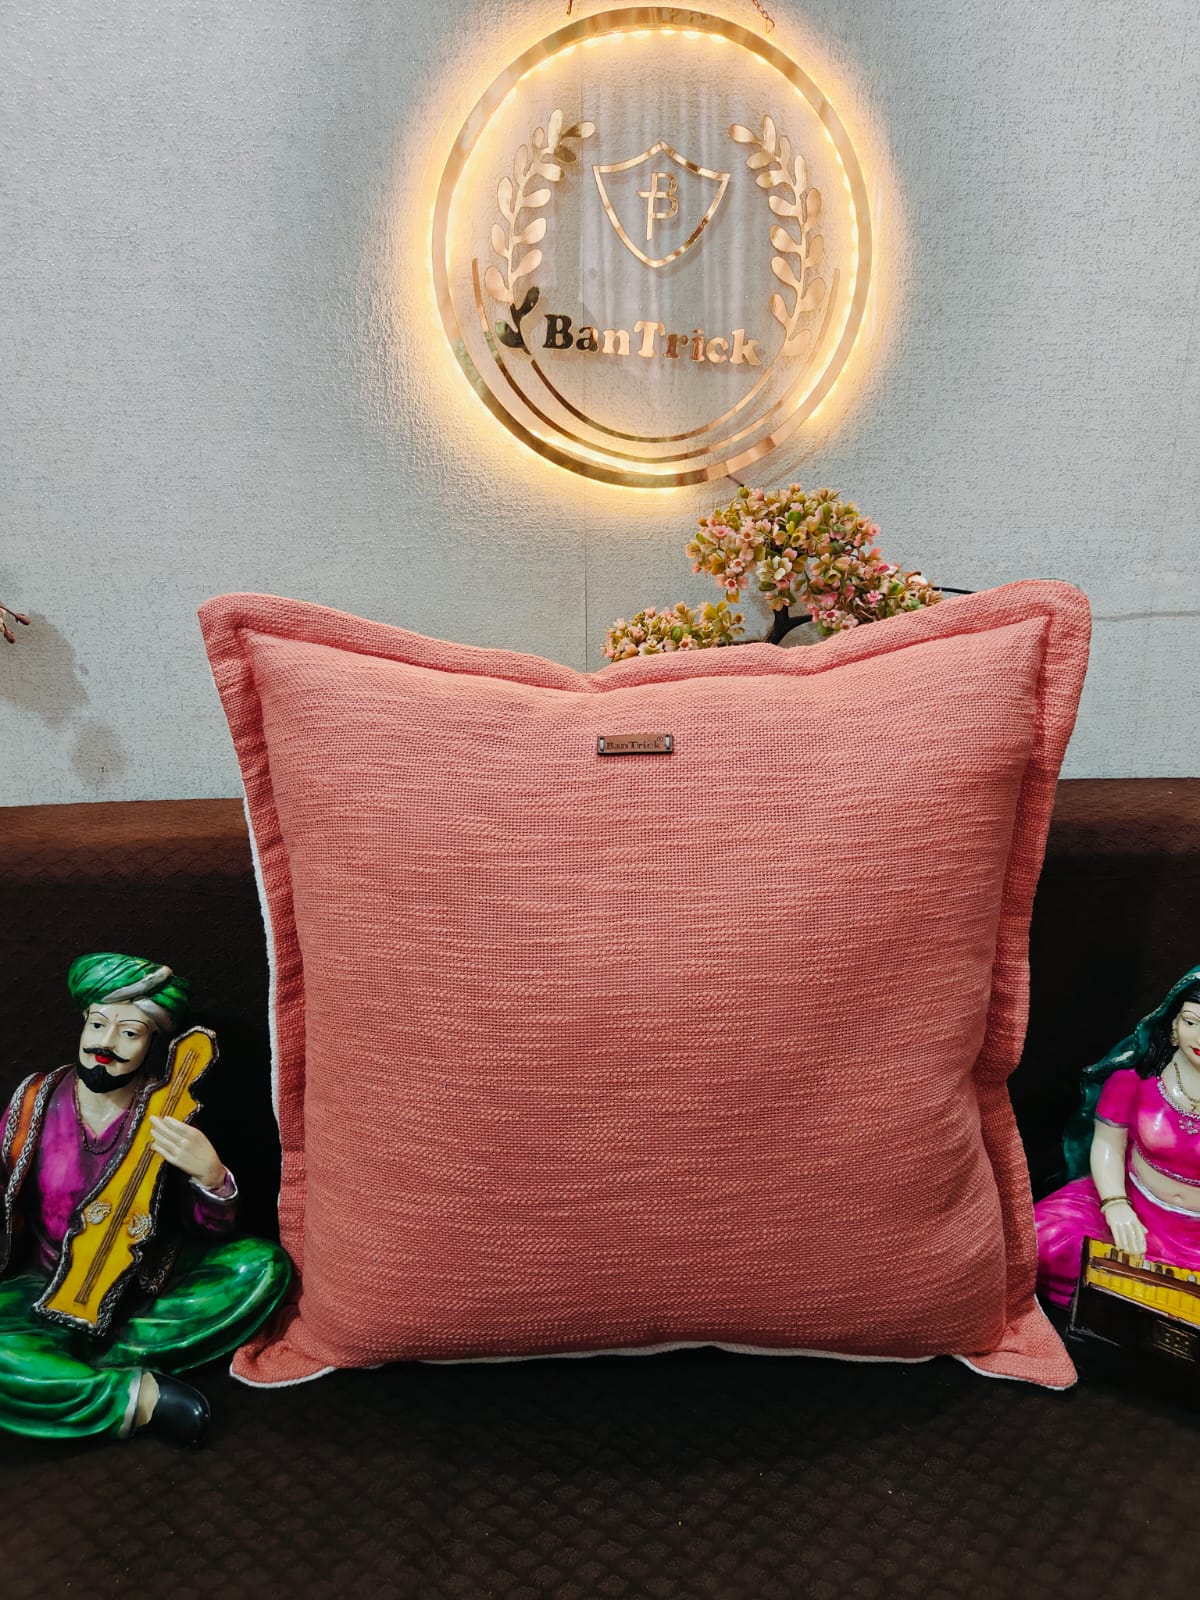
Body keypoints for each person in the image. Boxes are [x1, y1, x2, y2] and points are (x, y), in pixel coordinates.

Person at [0, 952, 291, 1444]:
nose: (106, 1044)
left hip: (139, 1293)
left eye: (130, 1032)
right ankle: (136, 1398)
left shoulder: (170, 1110)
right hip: (39, 1284)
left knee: (262, 1266)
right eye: (98, 1025)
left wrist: (212, 1178)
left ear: (152, 1041)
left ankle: (62, 1362)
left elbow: (207, 1230)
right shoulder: (35, 1100)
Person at [1035, 965, 1200, 1307]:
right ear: (1173, 1025)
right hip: (1129, 1204)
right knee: (1044, 1239)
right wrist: (1115, 1204)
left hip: (1195, 1239)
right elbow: (1108, 1143)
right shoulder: (1135, 1079)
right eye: (1191, 1022)